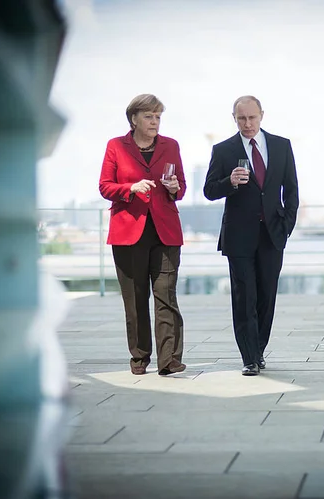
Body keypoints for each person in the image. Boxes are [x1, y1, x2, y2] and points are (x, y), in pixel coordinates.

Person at [203, 95, 299, 376]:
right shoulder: (223, 150)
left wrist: (287, 224)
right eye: (241, 118)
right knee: (244, 297)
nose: (247, 123)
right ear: (233, 118)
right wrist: (229, 182)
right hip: (238, 236)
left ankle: (258, 349)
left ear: (261, 116)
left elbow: (291, 189)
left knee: (266, 296)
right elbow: (209, 190)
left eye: (251, 118)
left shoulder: (281, 146)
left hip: (272, 234)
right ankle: (249, 358)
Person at [98, 94, 186, 376]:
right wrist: (130, 188)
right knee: (135, 301)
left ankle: (169, 360)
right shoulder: (115, 146)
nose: (155, 122)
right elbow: (105, 186)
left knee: (165, 297)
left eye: (158, 117)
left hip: (165, 232)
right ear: (134, 118)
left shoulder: (171, 146)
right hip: (128, 232)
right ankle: (139, 357)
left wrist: (173, 186)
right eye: (149, 116)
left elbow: (181, 187)